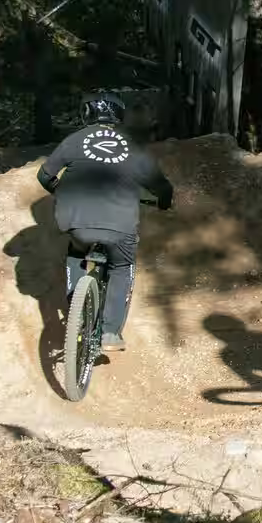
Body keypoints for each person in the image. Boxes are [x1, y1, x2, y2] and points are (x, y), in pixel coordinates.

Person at [37, 93, 174, 353]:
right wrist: (164, 202)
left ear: (86, 114)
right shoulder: (132, 144)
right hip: (119, 224)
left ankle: (77, 310)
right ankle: (110, 332)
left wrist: (60, 191)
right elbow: (160, 186)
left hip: (74, 218)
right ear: (119, 116)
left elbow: (44, 176)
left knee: (76, 253)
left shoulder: (74, 140)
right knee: (121, 266)